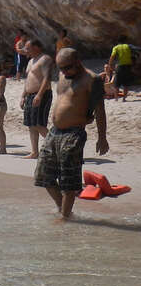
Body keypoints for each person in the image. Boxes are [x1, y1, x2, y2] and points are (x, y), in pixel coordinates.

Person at [34, 48, 108, 219]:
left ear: (78, 62)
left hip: (74, 133)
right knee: (44, 175)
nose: (64, 72)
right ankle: (63, 209)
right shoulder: (62, 76)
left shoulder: (92, 79)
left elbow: (100, 110)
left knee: (68, 180)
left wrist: (102, 138)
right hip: (54, 132)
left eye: (67, 67)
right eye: (61, 68)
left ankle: (65, 217)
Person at [21, 39, 54, 158]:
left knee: (39, 124)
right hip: (30, 95)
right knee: (31, 124)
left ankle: (56, 148)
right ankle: (35, 152)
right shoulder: (30, 61)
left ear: (36, 47)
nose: (25, 50)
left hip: (42, 94)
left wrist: (39, 95)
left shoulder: (45, 59)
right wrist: (23, 96)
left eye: (27, 48)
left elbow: (47, 78)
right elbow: (28, 79)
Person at [108, 36, 134, 102]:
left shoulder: (116, 47)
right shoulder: (128, 46)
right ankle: (124, 99)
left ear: (118, 41)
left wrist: (110, 65)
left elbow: (112, 56)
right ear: (125, 41)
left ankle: (116, 99)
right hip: (128, 66)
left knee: (117, 83)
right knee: (126, 83)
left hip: (119, 66)